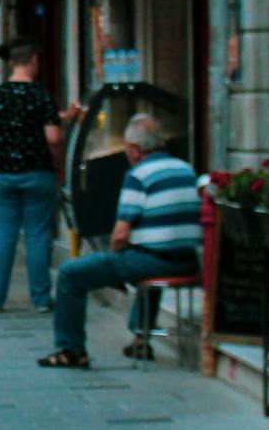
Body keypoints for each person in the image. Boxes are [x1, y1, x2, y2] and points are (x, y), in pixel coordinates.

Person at [40, 114, 201, 370]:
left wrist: (115, 266)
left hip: (154, 261)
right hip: (187, 260)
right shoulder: (186, 169)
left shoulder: (139, 175)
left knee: (71, 273)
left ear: (136, 150)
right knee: (145, 257)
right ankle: (140, 337)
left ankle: (71, 349)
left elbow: (120, 234)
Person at [0, 39, 63, 313]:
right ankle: (40, 298)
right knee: (37, 235)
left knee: (3, 235)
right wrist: (58, 164)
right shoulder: (41, 95)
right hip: (38, 172)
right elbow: (53, 136)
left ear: (11, 63)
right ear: (34, 60)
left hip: (2, 174)